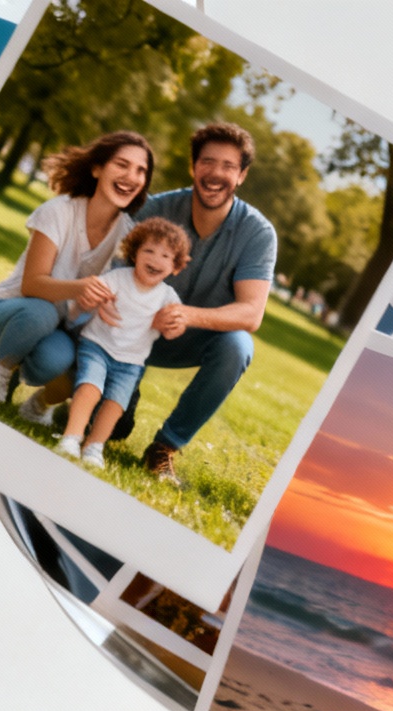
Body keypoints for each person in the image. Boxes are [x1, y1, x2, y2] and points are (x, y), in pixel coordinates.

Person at [116, 122, 277, 485]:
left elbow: (251, 313)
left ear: (242, 175)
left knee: (238, 345)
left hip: (197, 337)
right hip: (135, 331)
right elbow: (115, 278)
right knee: (110, 428)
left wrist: (186, 315)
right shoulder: (154, 210)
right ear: (193, 167)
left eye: (228, 166)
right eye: (207, 162)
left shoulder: (258, 233)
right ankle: (116, 398)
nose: (215, 173)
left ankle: (164, 447)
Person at [0, 131, 153, 407]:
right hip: (8, 315)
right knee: (41, 311)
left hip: (58, 329)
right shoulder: (59, 211)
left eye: (141, 171)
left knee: (63, 357)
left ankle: (38, 405)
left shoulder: (128, 237)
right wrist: (81, 288)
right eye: (122, 164)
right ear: (97, 169)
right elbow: (32, 285)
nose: (132, 176)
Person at [54, 219, 191, 468]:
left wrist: (172, 327)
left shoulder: (168, 297)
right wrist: (94, 301)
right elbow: (91, 296)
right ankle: (71, 437)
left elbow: (175, 328)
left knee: (116, 404)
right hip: (97, 346)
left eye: (166, 256)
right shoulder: (118, 278)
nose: (156, 259)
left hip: (131, 362)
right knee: (90, 388)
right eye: (149, 250)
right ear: (134, 253)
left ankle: (94, 446)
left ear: (175, 266)